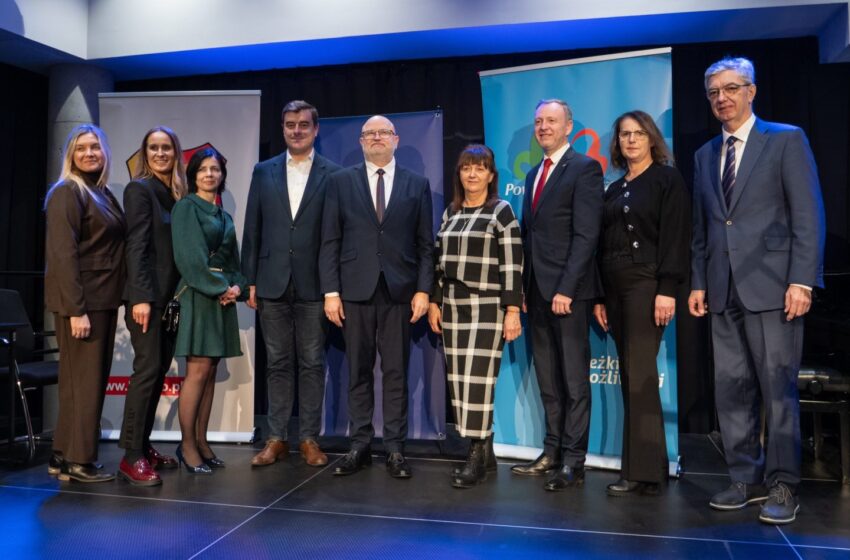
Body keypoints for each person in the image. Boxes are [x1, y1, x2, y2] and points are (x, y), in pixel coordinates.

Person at [689, 57, 825, 524]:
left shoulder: (785, 139)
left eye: (731, 88)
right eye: (713, 92)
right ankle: (744, 478)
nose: (721, 98)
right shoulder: (705, 155)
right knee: (731, 388)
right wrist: (699, 282)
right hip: (723, 290)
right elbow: (704, 227)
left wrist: (802, 280)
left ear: (752, 91)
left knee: (776, 389)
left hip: (775, 289)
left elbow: (807, 214)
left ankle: (784, 483)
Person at [320, 115, 434, 479]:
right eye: (370, 133)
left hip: (400, 292)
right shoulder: (340, 182)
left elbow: (425, 246)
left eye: (384, 132)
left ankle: (396, 448)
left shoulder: (417, 184)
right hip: (353, 291)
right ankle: (360, 445)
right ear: (361, 140)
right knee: (357, 371)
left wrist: (423, 290)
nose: (377, 138)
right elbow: (330, 241)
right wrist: (331, 292)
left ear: (396, 139)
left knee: (397, 372)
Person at [591, 111, 690, 496]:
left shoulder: (667, 179)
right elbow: (602, 246)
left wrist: (666, 288)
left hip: (646, 285)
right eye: (624, 134)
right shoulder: (613, 189)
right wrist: (599, 295)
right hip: (613, 289)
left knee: (639, 376)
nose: (631, 140)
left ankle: (641, 472)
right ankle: (653, 466)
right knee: (633, 376)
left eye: (638, 133)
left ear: (651, 138)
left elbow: (676, 237)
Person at [242, 100, 340, 468]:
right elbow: (252, 228)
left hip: (315, 283)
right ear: (283, 129)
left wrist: (335, 285)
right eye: (289, 125)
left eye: (302, 125)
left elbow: (336, 234)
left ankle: (309, 439)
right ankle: (276, 437)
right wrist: (249, 279)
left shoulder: (333, 173)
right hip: (271, 282)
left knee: (313, 363)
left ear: (315, 130)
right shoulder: (263, 171)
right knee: (278, 363)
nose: (295, 130)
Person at [512, 99, 604, 492]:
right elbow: (531, 238)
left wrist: (567, 288)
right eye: (538, 121)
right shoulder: (534, 174)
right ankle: (551, 451)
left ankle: (573, 460)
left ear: (569, 127)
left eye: (551, 121)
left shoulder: (585, 168)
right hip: (537, 292)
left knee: (573, 381)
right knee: (548, 381)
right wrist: (524, 290)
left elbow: (586, 234)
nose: (543, 127)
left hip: (569, 294)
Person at [428, 144, 523, 488]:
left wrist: (512, 310)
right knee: (460, 381)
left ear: (491, 175)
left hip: (487, 305)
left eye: (480, 168)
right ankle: (486, 451)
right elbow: (439, 264)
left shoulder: (501, 211)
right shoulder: (450, 213)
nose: (472, 174)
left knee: (478, 381)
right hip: (454, 305)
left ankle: (475, 452)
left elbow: (513, 264)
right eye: (467, 168)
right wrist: (436, 302)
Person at [44, 124, 126, 483]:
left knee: (81, 382)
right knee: (86, 384)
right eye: (81, 149)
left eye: (95, 147)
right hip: (84, 304)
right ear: (71, 156)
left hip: (102, 300)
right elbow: (63, 256)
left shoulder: (102, 193)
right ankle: (80, 461)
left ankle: (62, 455)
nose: (90, 153)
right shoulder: (67, 192)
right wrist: (76, 309)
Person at [118, 126, 187, 486]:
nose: (160, 153)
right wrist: (141, 297)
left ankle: (143, 447)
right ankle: (130, 457)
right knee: (146, 372)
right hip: (147, 298)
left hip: (170, 299)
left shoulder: (176, 194)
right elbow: (136, 245)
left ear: (176, 153)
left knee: (158, 370)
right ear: (145, 153)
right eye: (153, 148)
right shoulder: (139, 189)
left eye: (166, 148)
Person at [171, 147, 247, 474]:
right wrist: (221, 289)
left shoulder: (224, 216)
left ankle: (202, 442)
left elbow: (234, 264)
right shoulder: (186, 208)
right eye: (203, 169)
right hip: (199, 296)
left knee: (211, 371)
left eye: (215, 169)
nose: (209, 174)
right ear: (193, 175)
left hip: (222, 300)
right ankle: (186, 446)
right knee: (197, 371)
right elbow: (190, 261)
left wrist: (238, 288)